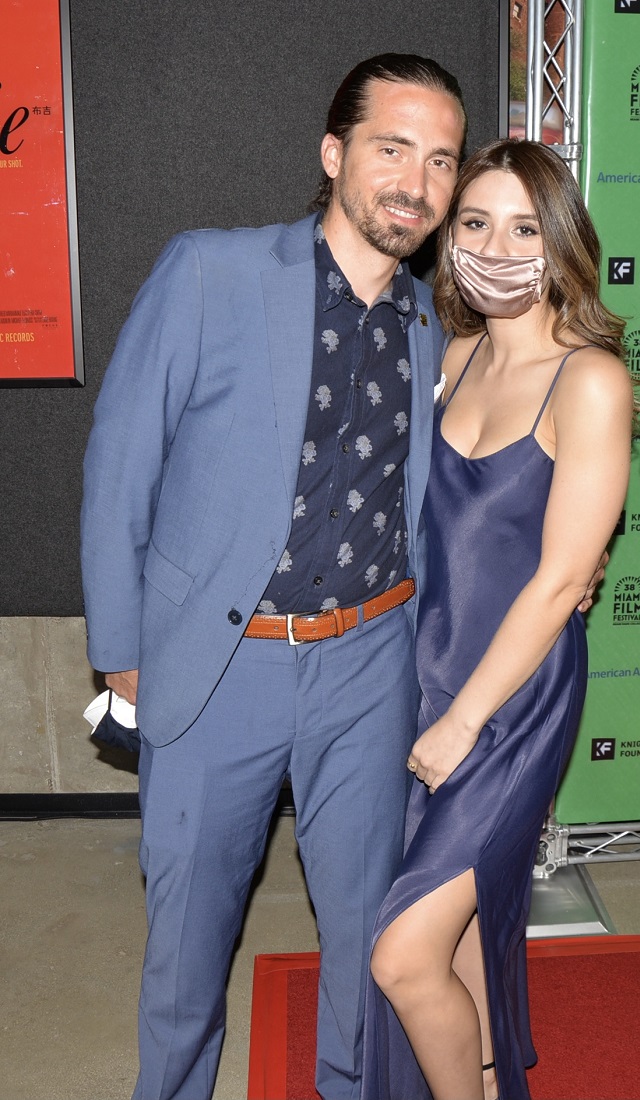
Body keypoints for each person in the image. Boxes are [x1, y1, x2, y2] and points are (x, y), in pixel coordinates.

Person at [81, 53, 467, 1100]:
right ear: (333, 153)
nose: (414, 183)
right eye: (391, 148)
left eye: (438, 161)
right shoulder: (211, 271)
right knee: (186, 951)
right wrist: (119, 660)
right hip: (219, 668)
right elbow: (122, 460)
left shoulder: (429, 323)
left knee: (364, 938)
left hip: (371, 663)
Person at [363, 139, 640, 1100]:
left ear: (560, 239)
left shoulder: (591, 381)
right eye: (474, 222)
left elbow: (562, 577)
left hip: (511, 699)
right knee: (464, 923)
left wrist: (461, 720)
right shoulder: (451, 354)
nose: (495, 245)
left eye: (524, 226)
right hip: (421, 672)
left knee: (403, 955)